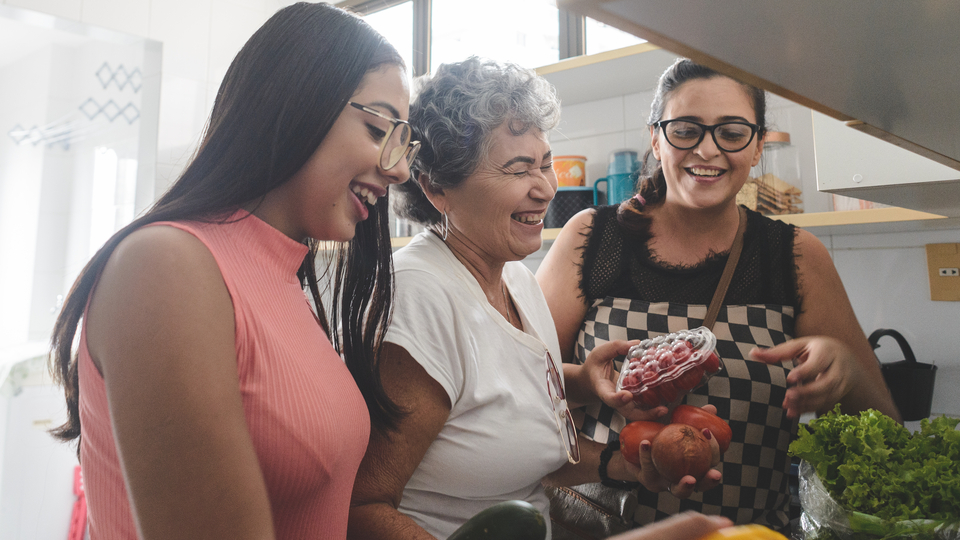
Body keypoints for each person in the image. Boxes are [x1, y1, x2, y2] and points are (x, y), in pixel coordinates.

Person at [47, 3, 417, 539]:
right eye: (378, 128)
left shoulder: (286, 278)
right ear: (296, 104)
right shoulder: (166, 267)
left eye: (403, 141)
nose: (399, 167)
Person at [346, 57, 722, 540]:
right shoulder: (421, 298)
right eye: (519, 169)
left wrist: (617, 442)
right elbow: (362, 507)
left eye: (545, 162)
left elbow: (510, 436)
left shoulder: (515, 279)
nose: (546, 188)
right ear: (437, 188)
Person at [536, 58, 901, 531]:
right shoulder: (591, 240)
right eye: (685, 130)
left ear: (757, 147)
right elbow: (514, 397)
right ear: (656, 138)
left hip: (746, 534)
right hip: (602, 530)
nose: (707, 150)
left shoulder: (794, 256)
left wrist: (847, 373)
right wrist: (604, 440)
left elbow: (884, 430)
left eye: (731, 132)